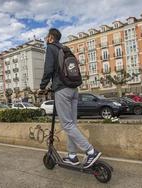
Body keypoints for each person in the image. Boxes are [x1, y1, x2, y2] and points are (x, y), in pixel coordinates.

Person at [38, 28, 101, 168]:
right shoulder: (66, 49)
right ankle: (72, 156)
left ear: (50, 38)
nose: (45, 39)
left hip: (62, 90)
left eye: (46, 36)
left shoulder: (51, 48)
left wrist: (42, 87)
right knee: (71, 124)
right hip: (74, 89)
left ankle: (90, 151)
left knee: (66, 124)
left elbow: (48, 69)